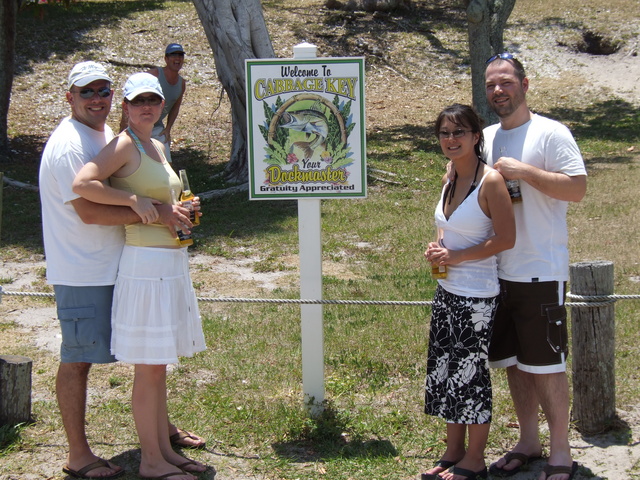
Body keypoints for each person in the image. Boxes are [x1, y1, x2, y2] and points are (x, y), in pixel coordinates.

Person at [38, 61, 202, 479]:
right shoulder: (72, 145)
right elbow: (89, 210)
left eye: (103, 90)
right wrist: (149, 211)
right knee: (79, 360)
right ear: (70, 96)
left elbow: (135, 187)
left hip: (119, 263)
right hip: (84, 269)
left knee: (153, 360)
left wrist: (174, 210)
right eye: (86, 91)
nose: (96, 98)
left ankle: (162, 442)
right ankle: (82, 455)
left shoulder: (108, 136)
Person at [482, 53, 587, 480]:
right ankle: (529, 440)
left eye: (506, 82)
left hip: (540, 269)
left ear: (525, 85)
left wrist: (524, 171)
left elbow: (577, 189)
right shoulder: (486, 137)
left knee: (546, 364)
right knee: (512, 361)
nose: (498, 91)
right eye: (491, 84)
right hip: (495, 270)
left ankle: (561, 449)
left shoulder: (551, 133)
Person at [421, 104, 516, 480]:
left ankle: (475, 461)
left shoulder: (490, 181)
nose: (451, 139)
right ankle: (453, 451)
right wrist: (439, 251)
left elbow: (506, 238)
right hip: (447, 290)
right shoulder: (450, 178)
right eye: (445, 132)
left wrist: (457, 256)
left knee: (470, 375)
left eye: (459, 131)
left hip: (477, 297)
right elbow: (452, 229)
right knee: (445, 372)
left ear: (477, 136)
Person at [120, 43, 187, 163]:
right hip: (137, 123)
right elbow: (130, 97)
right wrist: (123, 129)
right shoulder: (153, 75)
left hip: (156, 126)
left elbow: (175, 108)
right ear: (166, 59)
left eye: (180, 55)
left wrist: (168, 128)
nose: (177, 59)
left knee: (166, 160)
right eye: (173, 55)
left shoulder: (181, 83)